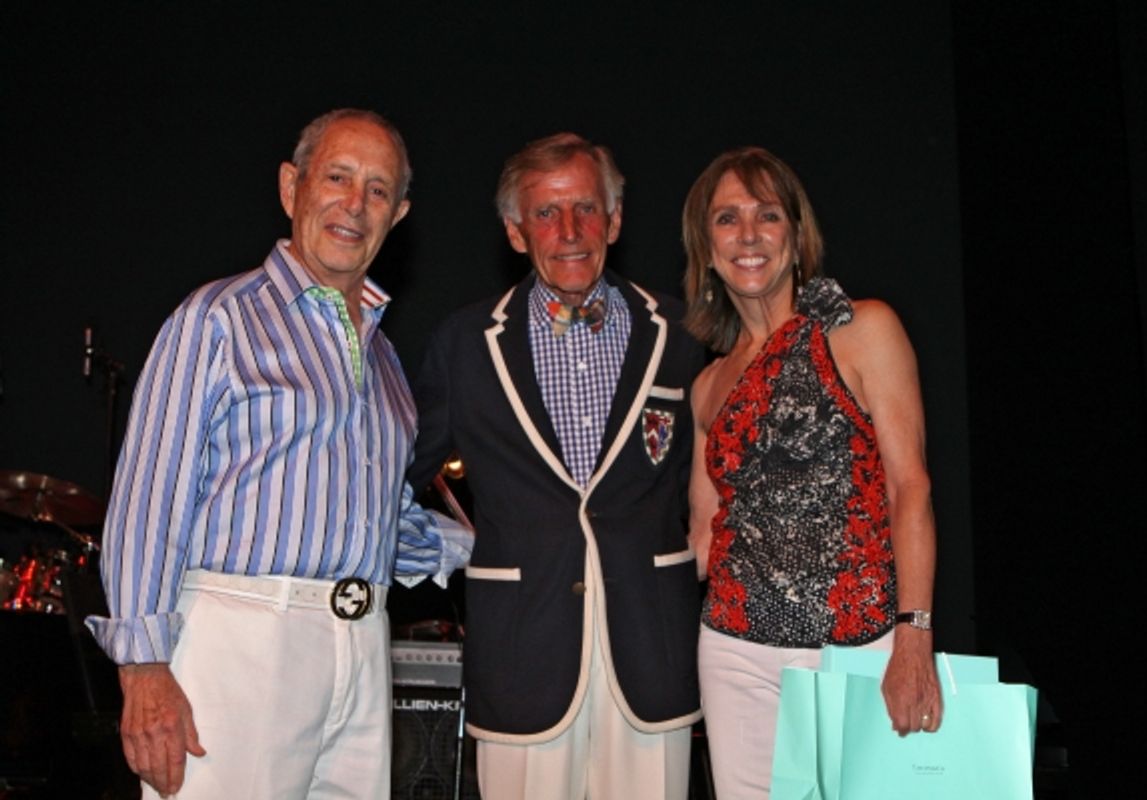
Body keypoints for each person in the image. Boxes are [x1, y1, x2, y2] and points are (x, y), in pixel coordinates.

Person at [85, 108, 471, 799]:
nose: (355, 204)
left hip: (361, 648)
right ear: (292, 187)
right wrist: (142, 670)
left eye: (378, 190)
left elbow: (378, 521)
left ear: (400, 213)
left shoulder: (382, 361)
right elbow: (149, 497)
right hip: (239, 647)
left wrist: (499, 544)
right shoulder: (218, 318)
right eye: (338, 177)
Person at [409, 133, 705, 800]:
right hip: (521, 655)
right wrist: (442, 547)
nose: (569, 231)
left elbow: (722, 479)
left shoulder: (684, 336)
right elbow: (399, 474)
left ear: (615, 220)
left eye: (585, 209)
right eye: (546, 213)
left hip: (651, 654)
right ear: (516, 233)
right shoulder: (464, 344)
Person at [682, 147, 942, 798]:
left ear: (796, 237)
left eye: (767, 215)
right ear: (705, 249)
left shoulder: (862, 330)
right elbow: (703, 539)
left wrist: (915, 638)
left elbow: (912, 487)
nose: (747, 235)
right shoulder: (707, 386)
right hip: (733, 654)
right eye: (726, 219)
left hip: (857, 646)